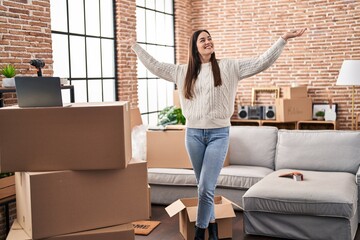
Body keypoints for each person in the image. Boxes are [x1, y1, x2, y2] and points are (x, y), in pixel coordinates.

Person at [130, 28, 306, 240]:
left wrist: (283, 39)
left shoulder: (229, 67)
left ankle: (199, 232)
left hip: (218, 135)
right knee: (205, 187)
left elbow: (261, 62)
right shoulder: (182, 71)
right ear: (195, 47)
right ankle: (213, 229)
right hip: (193, 135)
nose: (208, 42)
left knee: (205, 186)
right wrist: (135, 46)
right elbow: (155, 66)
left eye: (210, 38)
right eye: (203, 40)